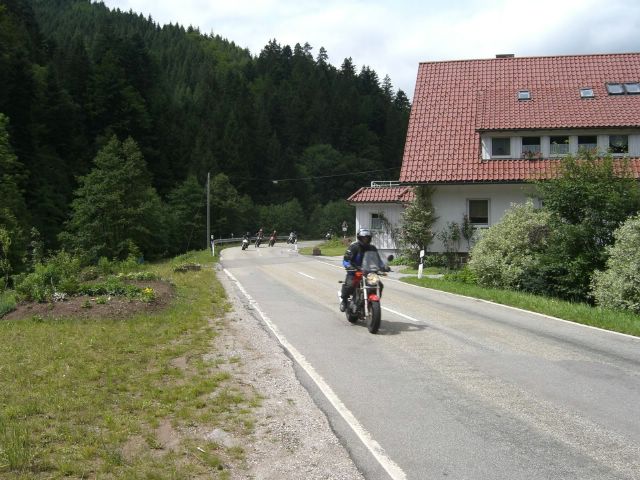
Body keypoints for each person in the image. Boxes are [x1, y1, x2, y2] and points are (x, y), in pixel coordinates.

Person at [339, 228, 389, 312]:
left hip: (368, 272)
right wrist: (348, 266)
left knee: (379, 285)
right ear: (359, 238)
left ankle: (372, 303)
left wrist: (383, 267)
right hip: (355, 271)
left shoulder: (372, 248)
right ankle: (344, 301)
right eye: (363, 238)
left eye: (367, 238)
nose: (365, 240)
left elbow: (378, 260)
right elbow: (346, 259)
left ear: (369, 238)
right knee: (350, 285)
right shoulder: (354, 247)